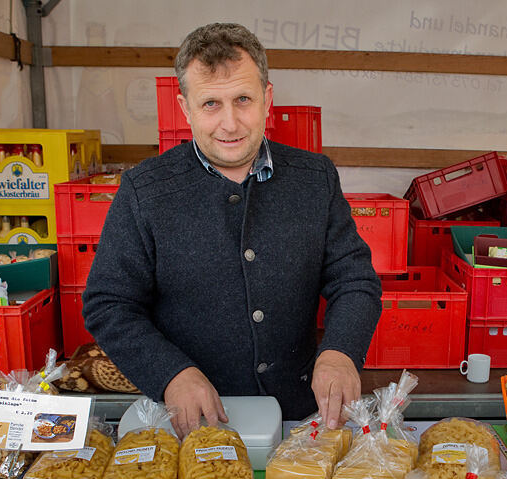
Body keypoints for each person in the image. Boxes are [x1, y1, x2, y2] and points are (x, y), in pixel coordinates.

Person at [83, 23, 381, 437]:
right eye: (210, 104)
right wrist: (171, 374)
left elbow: (355, 280)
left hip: (300, 417)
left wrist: (339, 351)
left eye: (243, 99)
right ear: (185, 108)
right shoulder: (144, 191)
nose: (229, 123)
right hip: (192, 423)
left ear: (268, 99)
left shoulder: (315, 179)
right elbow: (108, 302)